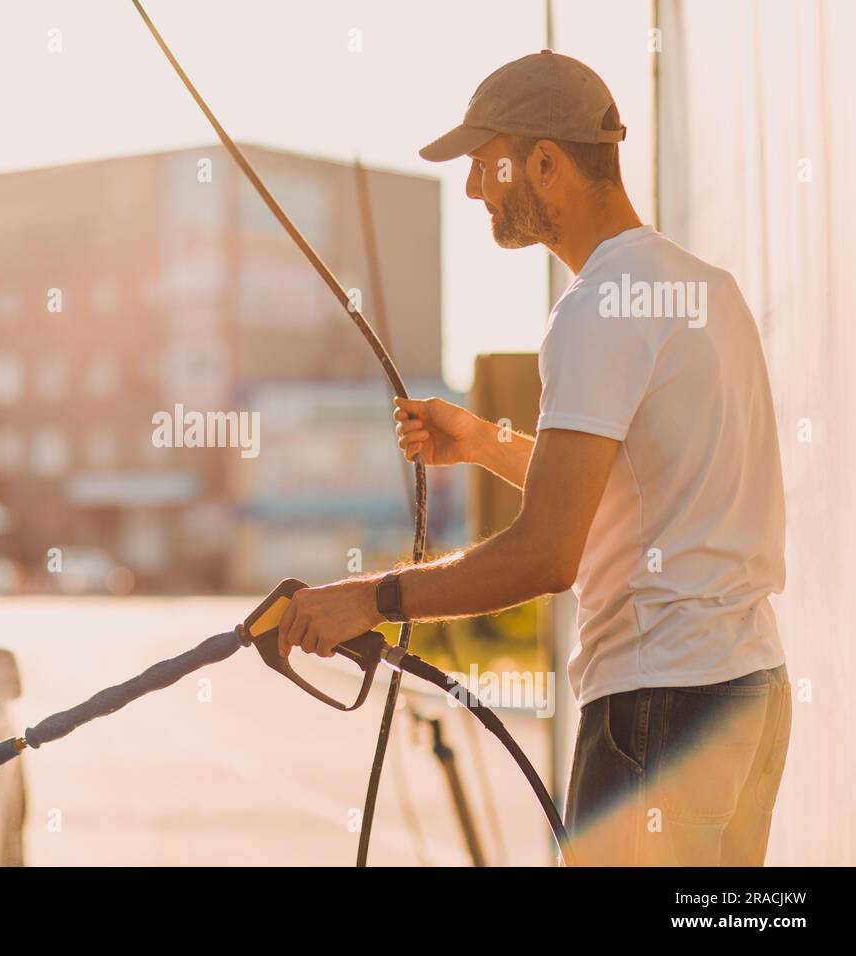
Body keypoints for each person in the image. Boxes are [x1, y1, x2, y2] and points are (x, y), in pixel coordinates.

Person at [276, 51, 791, 866]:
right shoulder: (705, 291)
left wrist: (370, 600)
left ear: (545, 162)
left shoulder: (595, 310)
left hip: (657, 711)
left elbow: (550, 554)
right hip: (749, 695)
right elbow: (630, 493)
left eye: (487, 166)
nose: (476, 191)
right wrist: (482, 441)